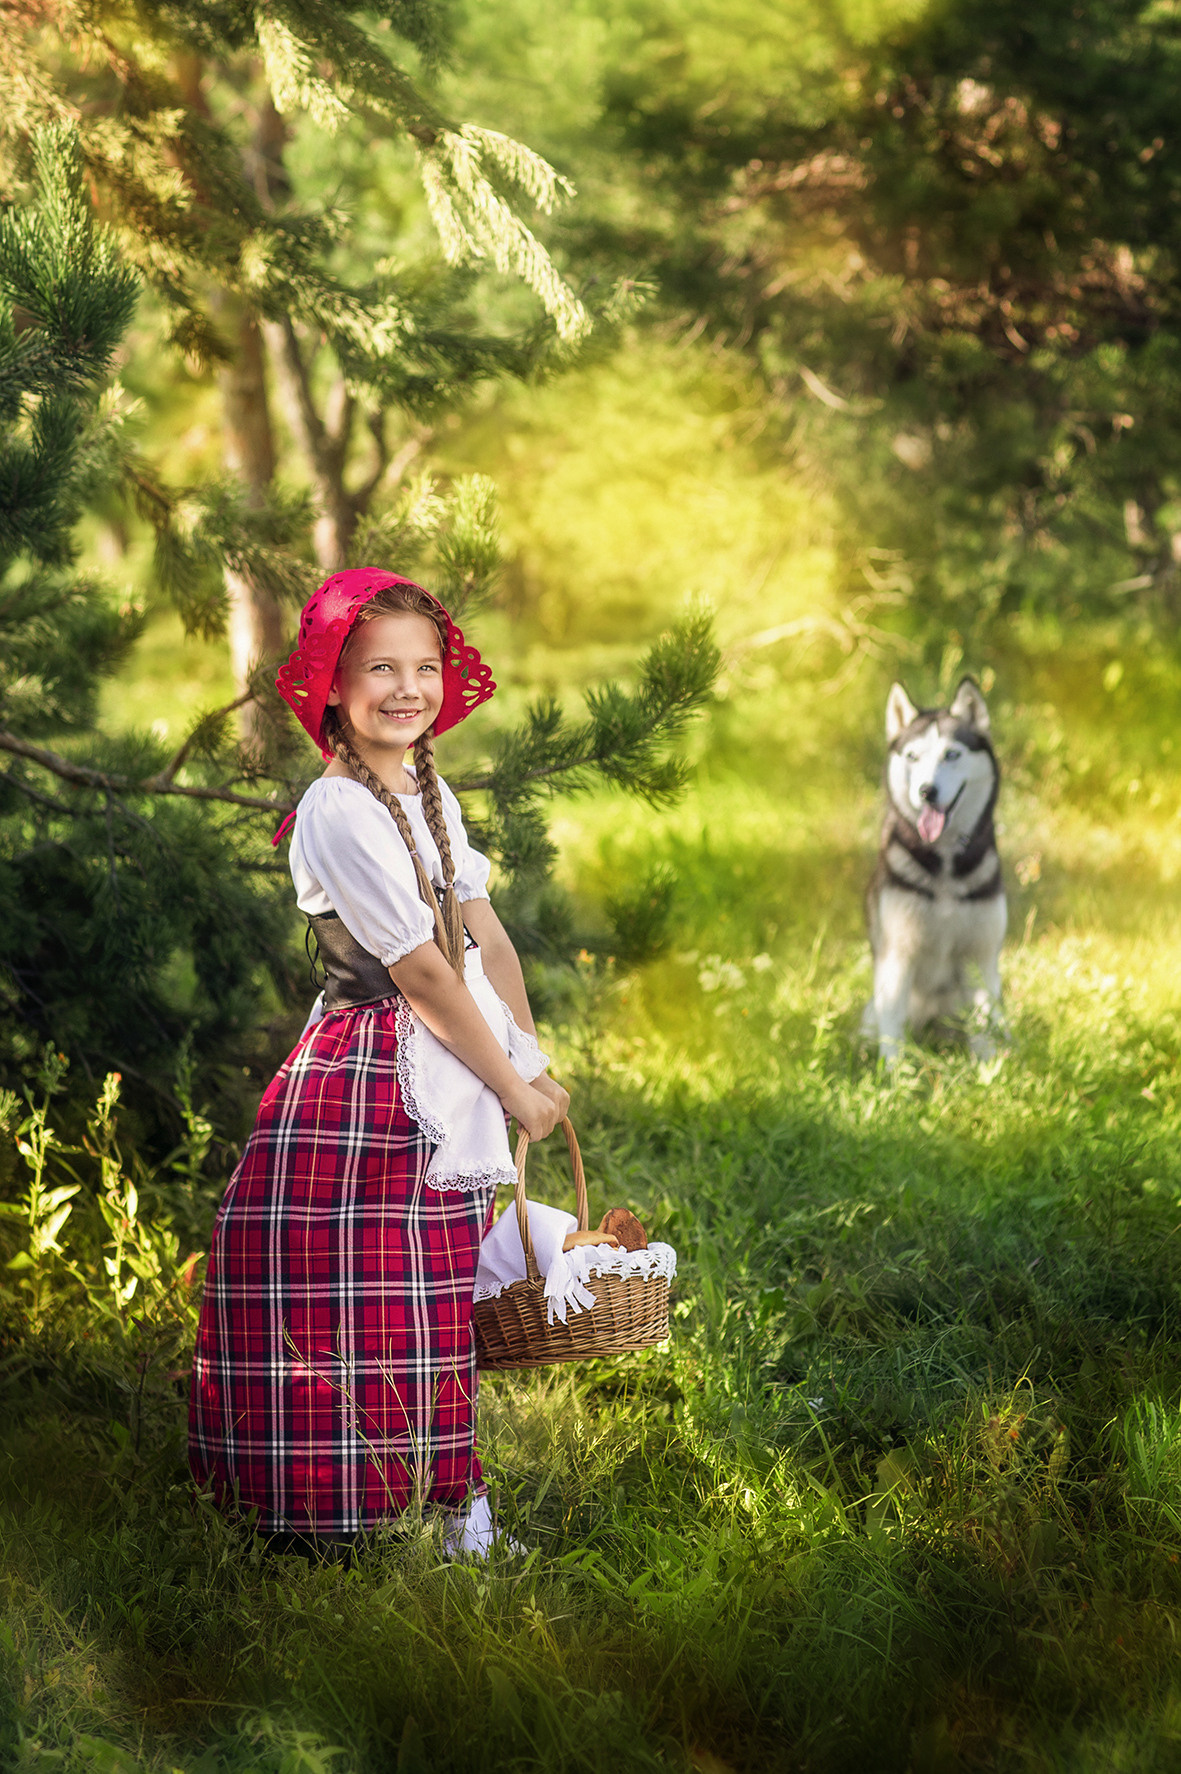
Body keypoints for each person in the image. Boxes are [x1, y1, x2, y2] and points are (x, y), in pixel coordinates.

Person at [188, 569, 575, 1558]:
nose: (405, 688)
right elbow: (420, 975)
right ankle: (322, 1514)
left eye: (423, 667)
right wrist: (505, 1084)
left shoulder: (423, 789)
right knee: (354, 1286)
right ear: (331, 684)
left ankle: (455, 1515)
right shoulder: (338, 810)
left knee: (435, 1291)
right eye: (378, 669)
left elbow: (483, 939)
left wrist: (526, 1063)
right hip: (374, 1072)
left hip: (452, 1059)